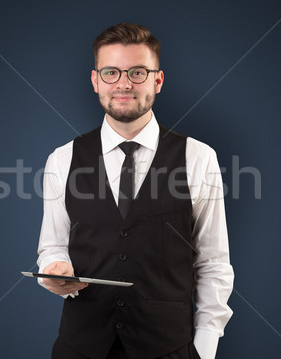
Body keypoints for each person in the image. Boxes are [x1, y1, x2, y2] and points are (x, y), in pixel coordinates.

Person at [35, 23, 234, 359]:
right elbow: (53, 247)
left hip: (170, 348)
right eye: (111, 72)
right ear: (96, 80)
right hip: (79, 348)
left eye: (137, 72)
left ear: (157, 80)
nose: (124, 83)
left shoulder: (199, 157)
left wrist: (205, 347)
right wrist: (54, 271)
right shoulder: (62, 158)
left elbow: (213, 264)